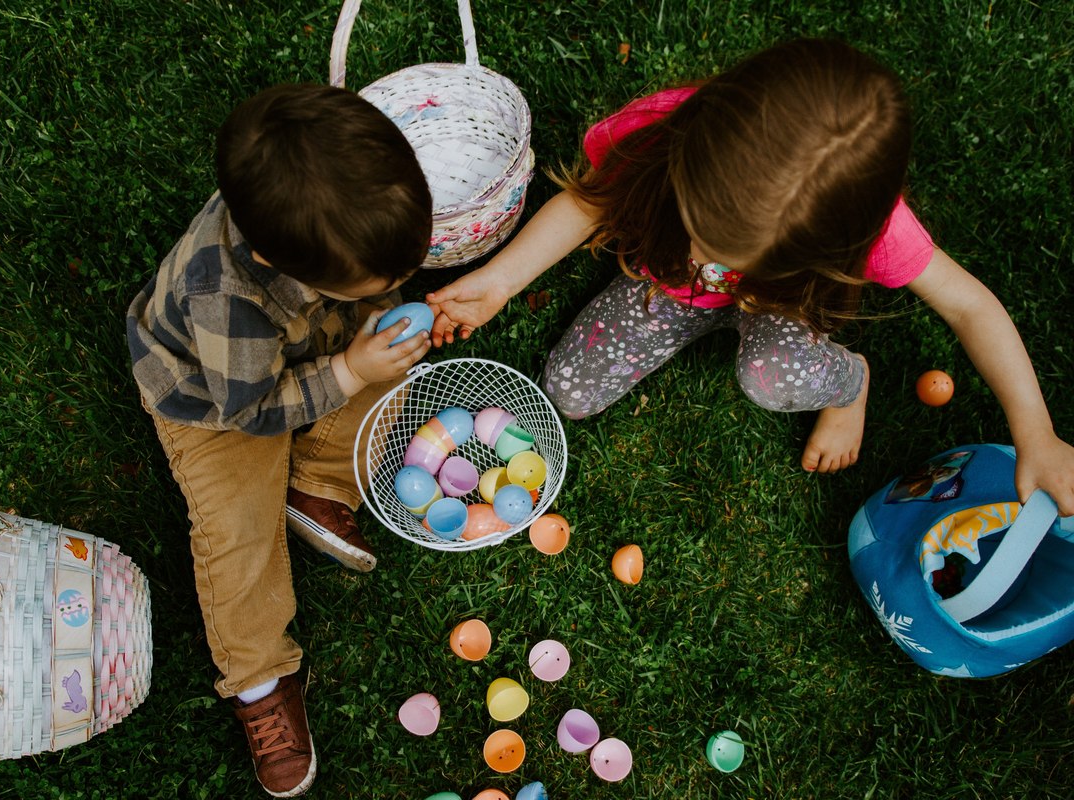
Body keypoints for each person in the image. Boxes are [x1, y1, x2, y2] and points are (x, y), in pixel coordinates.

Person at [426, 38, 1074, 515]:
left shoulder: (875, 229)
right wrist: (503, 279)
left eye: (741, 253)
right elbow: (588, 202)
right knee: (567, 392)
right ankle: (696, 314)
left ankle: (850, 384)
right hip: (665, 288)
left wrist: (1036, 432)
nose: (713, 255)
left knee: (768, 377)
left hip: (782, 312)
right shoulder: (664, 128)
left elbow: (972, 308)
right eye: (698, 220)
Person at [126, 84, 432, 797]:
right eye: (380, 280)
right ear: (279, 258)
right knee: (237, 530)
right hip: (217, 402)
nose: (399, 285)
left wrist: (383, 325)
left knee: (401, 372)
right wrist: (353, 367)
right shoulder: (226, 301)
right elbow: (255, 411)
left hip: (303, 348)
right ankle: (260, 674)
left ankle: (316, 483)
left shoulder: (325, 216)